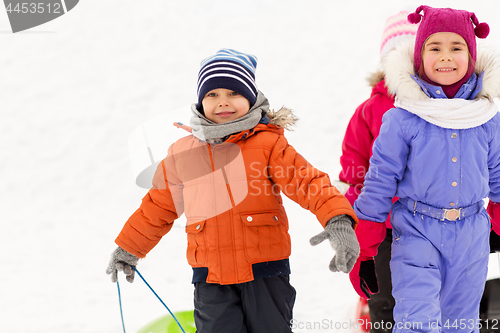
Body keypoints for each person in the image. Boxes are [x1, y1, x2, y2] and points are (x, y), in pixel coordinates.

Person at [106, 49, 360, 333]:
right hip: (210, 278)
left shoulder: (267, 145)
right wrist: (129, 247)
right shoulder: (182, 154)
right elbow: (158, 206)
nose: (223, 102)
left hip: (265, 272)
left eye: (233, 93)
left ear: (250, 98)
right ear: (201, 101)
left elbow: (307, 182)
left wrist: (337, 219)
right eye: (212, 94)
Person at [348, 5, 500, 333]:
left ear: (471, 57)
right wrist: (365, 246)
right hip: (417, 231)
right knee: (417, 322)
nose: (446, 56)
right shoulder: (402, 118)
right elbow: (379, 181)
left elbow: (499, 173)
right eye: (435, 47)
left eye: (456, 47)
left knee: (461, 325)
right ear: (419, 58)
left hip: (472, 236)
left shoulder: (487, 116)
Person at [340, 10, 417, 333]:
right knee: (385, 297)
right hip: (382, 226)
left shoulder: (443, 108)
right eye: (397, 57)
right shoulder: (370, 110)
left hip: (429, 223)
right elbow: (354, 170)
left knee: (430, 296)